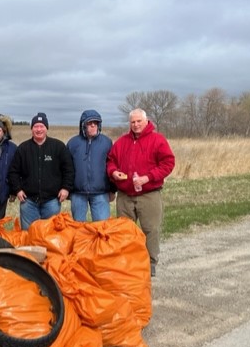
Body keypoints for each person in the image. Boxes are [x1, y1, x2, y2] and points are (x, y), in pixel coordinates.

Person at [106, 108, 176, 277]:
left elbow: (168, 163)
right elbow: (111, 161)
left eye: (139, 121)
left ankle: (150, 263)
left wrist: (148, 178)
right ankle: (126, 263)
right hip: (125, 195)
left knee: (150, 229)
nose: (136, 125)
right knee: (124, 231)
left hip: (149, 194)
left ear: (146, 121)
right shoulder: (122, 142)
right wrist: (113, 172)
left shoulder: (158, 140)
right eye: (133, 122)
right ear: (129, 123)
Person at [8, 112, 74, 230]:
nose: (39, 129)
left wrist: (66, 188)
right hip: (28, 201)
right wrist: (17, 189)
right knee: (29, 234)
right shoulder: (23, 149)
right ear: (31, 129)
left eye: (41, 126)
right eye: (35, 126)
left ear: (46, 128)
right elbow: (13, 172)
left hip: (52, 200)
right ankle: (29, 249)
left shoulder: (58, 147)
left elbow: (69, 170)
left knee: (50, 234)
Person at [66, 109, 116, 222]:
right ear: (83, 125)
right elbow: (67, 169)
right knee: (78, 230)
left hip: (101, 193)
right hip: (78, 193)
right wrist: (67, 189)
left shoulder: (107, 142)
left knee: (102, 230)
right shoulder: (73, 143)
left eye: (96, 122)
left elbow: (112, 165)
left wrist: (112, 190)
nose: (93, 125)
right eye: (89, 123)